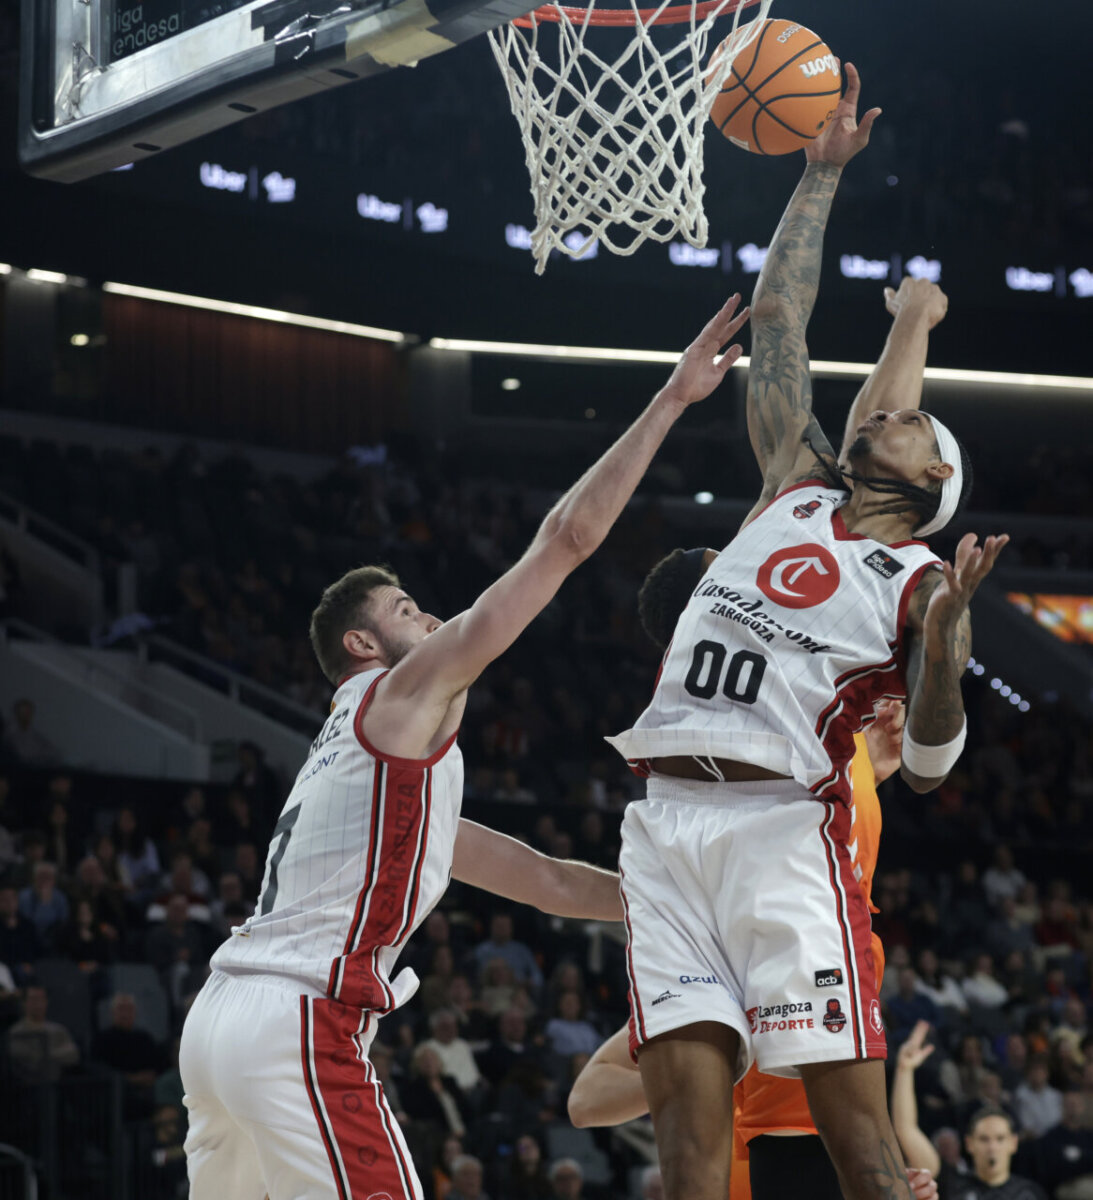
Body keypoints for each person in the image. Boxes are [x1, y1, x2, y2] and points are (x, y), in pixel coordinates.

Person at [179, 292, 752, 1200]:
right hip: (297, 1017)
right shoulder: (400, 696)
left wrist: (680, 909)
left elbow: (546, 881)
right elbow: (565, 539)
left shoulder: (363, 770)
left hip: (217, 1025)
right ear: (362, 647)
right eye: (405, 611)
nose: (431, 614)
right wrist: (670, 402)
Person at [603, 64, 1007, 1200]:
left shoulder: (924, 580)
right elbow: (782, 320)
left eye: (911, 419)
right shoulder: (793, 480)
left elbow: (929, 762)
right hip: (666, 820)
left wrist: (947, 650)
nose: (888, 408)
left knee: (865, 1160)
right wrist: (818, 179)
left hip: (786, 837)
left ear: (933, 480)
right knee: (686, 1153)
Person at [892, 1021, 1047, 1199]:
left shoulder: (1031, 1193)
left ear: (1013, 1143)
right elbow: (906, 1130)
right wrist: (905, 1070)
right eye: (983, 1139)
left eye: (1000, 1138)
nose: (992, 1147)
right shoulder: (951, 1183)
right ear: (969, 1143)